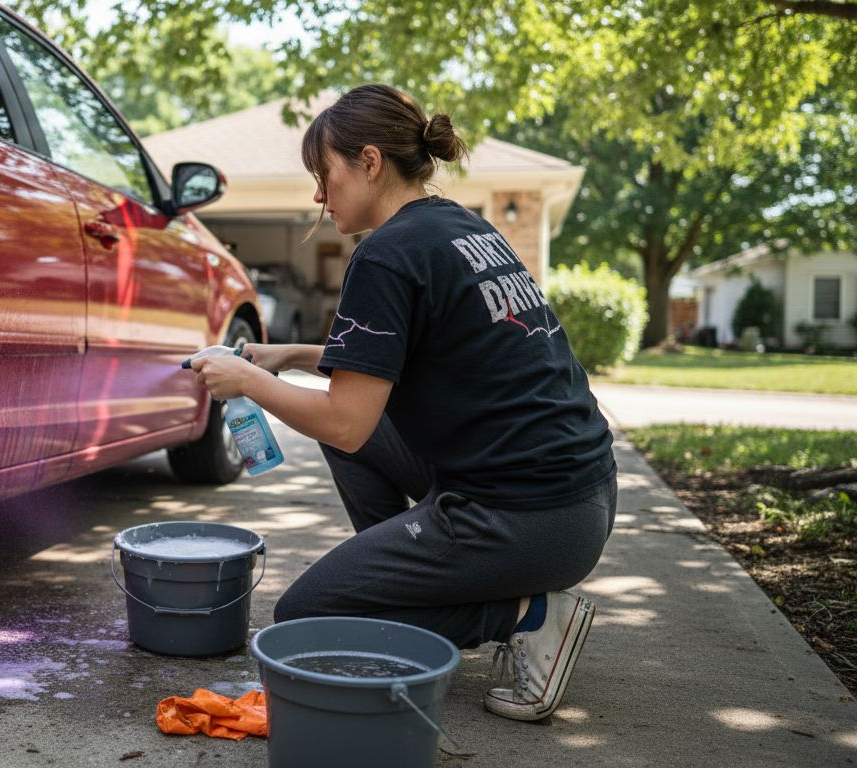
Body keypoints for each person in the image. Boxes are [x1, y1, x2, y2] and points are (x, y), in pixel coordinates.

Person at [189, 84, 617, 722]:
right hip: (580, 498)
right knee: (350, 446)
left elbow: (346, 420)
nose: (316, 195)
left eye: (323, 174)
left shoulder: (385, 255)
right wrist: (296, 356)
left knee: (307, 614)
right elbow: (410, 359)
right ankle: (429, 577)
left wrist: (247, 382)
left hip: (524, 518)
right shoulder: (458, 225)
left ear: (368, 162)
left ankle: (527, 615)